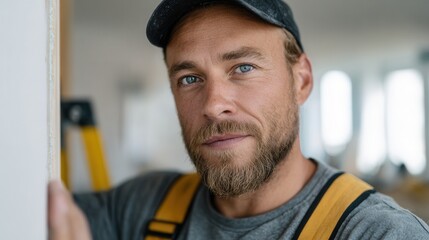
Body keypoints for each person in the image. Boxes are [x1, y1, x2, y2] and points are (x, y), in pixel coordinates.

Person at [48, 0, 429, 239]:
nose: (213, 105)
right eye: (190, 79)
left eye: (243, 67)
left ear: (302, 80)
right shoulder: (139, 209)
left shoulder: (376, 233)